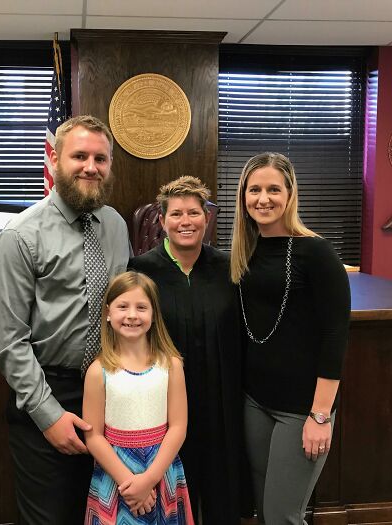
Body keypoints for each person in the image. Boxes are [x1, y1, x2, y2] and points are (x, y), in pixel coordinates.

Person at [0, 115, 131, 524]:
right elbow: (8, 342)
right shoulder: (19, 236)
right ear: (54, 160)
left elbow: (122, 312)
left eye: (100, 158)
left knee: (107, 514)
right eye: (80, 156)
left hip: (108, 391)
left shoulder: (116, 226)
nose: (91, 166)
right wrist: (48, 416)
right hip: (48, 393)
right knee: (53, 517)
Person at [230, 152, 351, 525]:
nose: (263, 199)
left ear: (290, 193)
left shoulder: (316, 252)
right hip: (255, 403)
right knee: (265, 512)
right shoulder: (243, 251)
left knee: (284, 515)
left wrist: (319, 415)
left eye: (273, 189)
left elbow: (335, 334)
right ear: (243, 197)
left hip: (300, 410)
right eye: (254, 190)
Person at [129, 176, 244, 523]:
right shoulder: (142, 270)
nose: (185, 221)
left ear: (206, 219)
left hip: (221, 400)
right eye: (176, 214)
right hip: (165, 403)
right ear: (162, 221)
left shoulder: (228, 267)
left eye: (193, 213)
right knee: (174, 495)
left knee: (222, 493)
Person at [82, 271, 194, 524]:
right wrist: (129, 482)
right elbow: (94, 436)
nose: (132, 315)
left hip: (161, 472)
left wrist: (149, 480)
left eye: (141, 307)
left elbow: (178, 427)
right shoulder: (98, 372)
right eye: (123, 306)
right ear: (108, 313)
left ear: (154, 315)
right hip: (116, 477)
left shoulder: (171, 365)